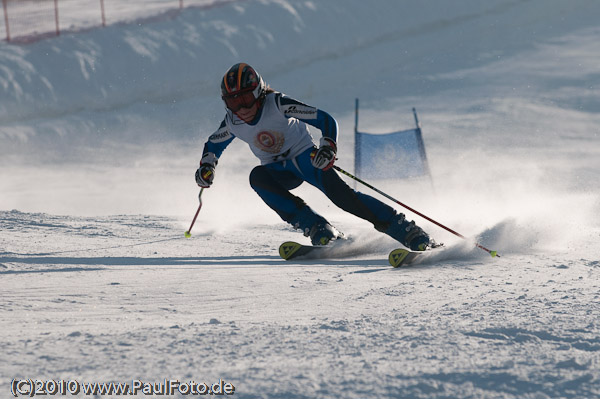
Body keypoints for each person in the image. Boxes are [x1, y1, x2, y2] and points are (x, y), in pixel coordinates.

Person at [195, 63, 435, 250]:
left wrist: (328, 147)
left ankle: (405, 229)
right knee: (257, 177)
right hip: (277, 170)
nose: (242, 108)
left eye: (245, 98)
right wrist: (207, 167)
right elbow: (213, 144)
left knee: (342, 197)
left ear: (258, 92)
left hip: (305, 159)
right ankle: (316, 226)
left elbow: (325, 119)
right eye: (233, 101)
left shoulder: (277, 104)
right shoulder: (233, 121)